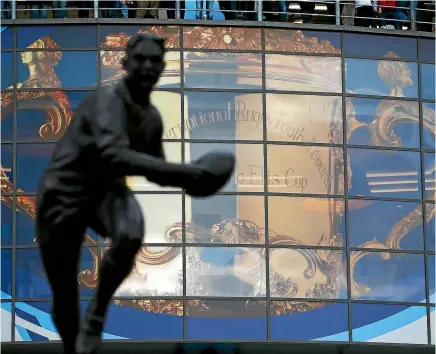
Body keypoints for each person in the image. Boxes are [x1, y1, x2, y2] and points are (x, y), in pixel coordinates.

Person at [35, 33, 235, 354]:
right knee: (65, 298)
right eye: (140, 59)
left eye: (154, 60)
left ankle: (98, 312)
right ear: (126, 63)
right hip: (64, 193)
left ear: (162, 67)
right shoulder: (107, 100)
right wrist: (187, 173)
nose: (147, 66)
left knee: (130, 233)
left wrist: (193, 180)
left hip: (105, 192)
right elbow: (113, 154)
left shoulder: (151, 119)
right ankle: (75, 348)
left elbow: (154, 169)